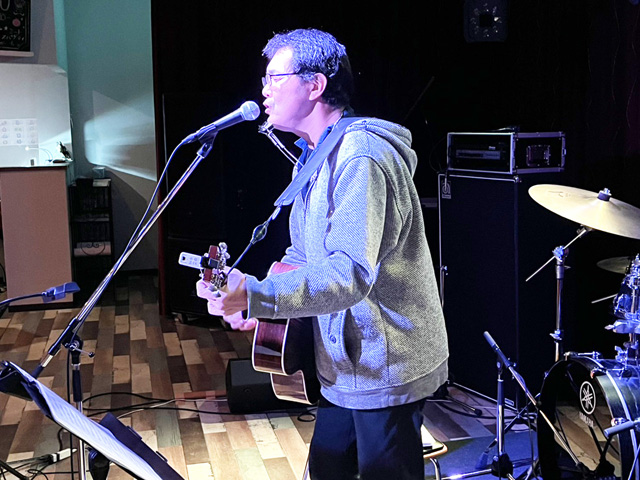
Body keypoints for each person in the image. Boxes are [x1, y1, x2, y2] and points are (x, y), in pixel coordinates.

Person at [197, 28, 449, 480]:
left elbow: (348, 273)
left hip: (385, 364)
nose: (264, 90)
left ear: (315, 85)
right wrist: (260, 305)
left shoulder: (361, 157)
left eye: (275, 78)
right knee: (328, 469)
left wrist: (258, 295)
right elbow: (304, 253)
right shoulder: (314, 155)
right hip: (345, 366)